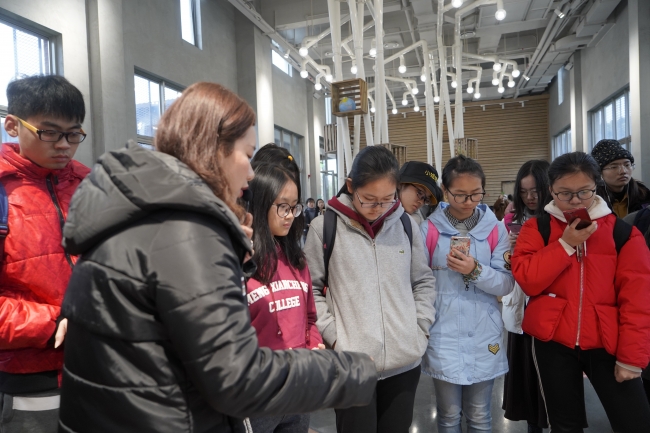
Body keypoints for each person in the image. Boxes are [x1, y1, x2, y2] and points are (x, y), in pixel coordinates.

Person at [58, 82, 377, 433]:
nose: (251, 173)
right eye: (246, 155)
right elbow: (236, 377)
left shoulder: (135, 216)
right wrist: (350, 372)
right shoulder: (186, 233)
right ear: (213, 150)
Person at [512, 151, 650, 432]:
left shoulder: (623, 234)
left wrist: (632, 359)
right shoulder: (536, 228)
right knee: (564, 425)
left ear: (596, 187)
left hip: (608, 342)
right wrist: (565, 245)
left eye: (583, 192)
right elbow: (528, 280)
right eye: (564, 193)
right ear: (551, 190)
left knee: (635, 422)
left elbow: (638, 301)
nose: (575, 201)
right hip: (552, 341)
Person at [304, 145, 436, 433]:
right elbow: (311, 290)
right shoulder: (323, 227)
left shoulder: (406, 225)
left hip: (404, 362)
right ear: (351, 186)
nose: (379, 208)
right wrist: (337, 339)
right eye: (370, 200)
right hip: (352, 366)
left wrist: (420, 327)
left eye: (388, 199)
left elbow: (423, 281)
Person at [0, 75, 90, 432]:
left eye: (73, 134)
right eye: (49, 132)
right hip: (28, 383)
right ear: (12, 125)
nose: (64, 145)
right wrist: (53, 322)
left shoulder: (91, 187)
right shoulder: (3, 194)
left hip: (100, 370)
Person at [420, 155, 514, 433]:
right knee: (448, 416)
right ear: (445, 191)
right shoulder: (429, 229)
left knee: (480, 415)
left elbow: (506, 284)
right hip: (443, 334)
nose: (468, 201)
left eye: (476, 194)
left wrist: (476, 271)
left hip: (484, 335)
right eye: (460, 194)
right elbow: (419, 283)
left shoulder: (495, 229)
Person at [245, 164, 324, 432]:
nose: (290, 215)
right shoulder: (242, 262)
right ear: (260, 205)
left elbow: (309, 317)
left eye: (294, 207)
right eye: (282, 207)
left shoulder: (296, 259)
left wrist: (314, 346)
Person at [501, 160, 552, 433]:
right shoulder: (512, 221)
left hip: (551, 313)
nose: (530, 197)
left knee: (553, 384)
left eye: (535, 190)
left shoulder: (560, 222)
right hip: (521, 311)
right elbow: (507, 271)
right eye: (523, 192)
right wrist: (512, 253)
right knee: (527, 382)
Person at [591, 139, 650, 218]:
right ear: (599, 172)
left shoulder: (643, 194)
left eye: (627, 165)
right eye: (614, 167)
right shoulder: (592, 200)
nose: (623, 171)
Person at [398, 161, 443, 225]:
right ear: (400, 184)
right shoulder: (384, 212)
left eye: (426, 199)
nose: (421, 202)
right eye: (420, 193)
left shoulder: (419, 223)